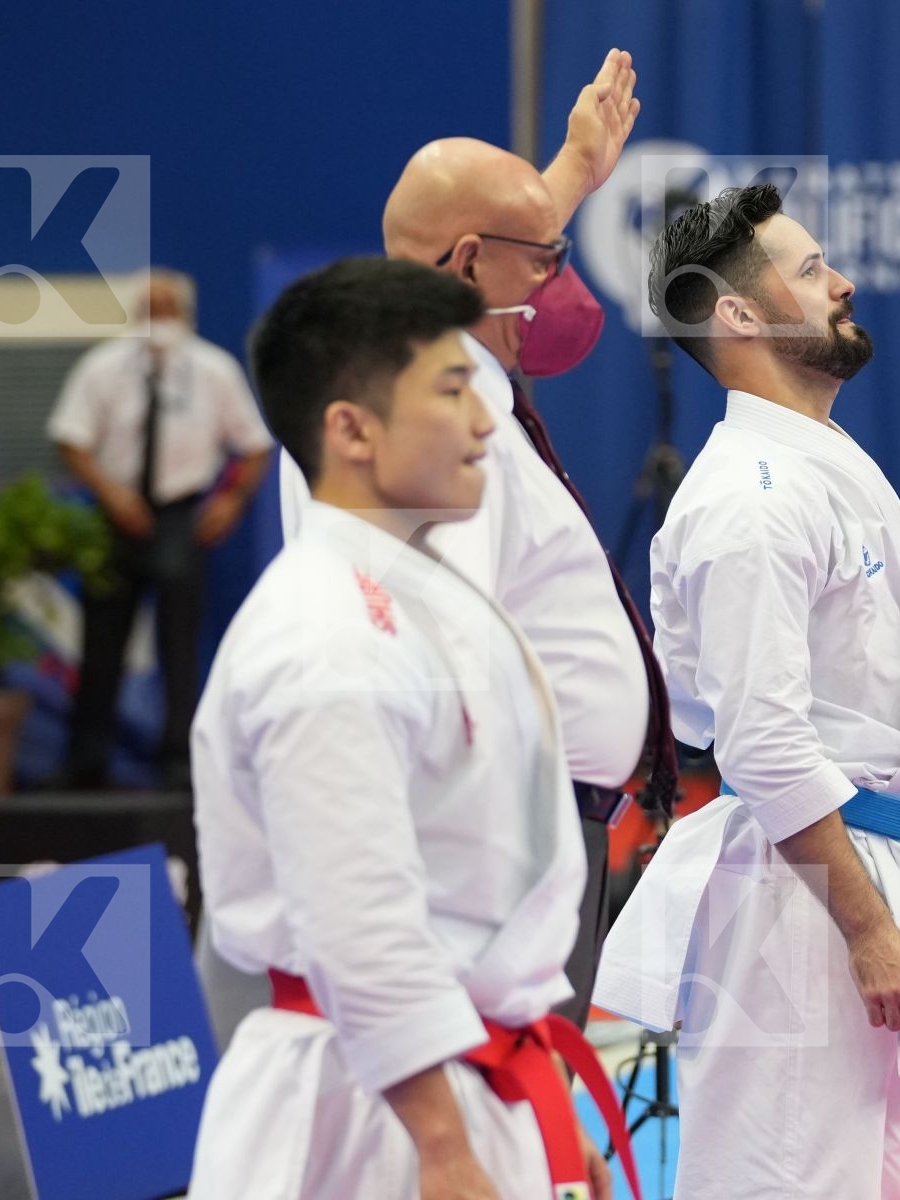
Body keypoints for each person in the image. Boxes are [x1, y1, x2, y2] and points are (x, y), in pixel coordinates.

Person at [593, 185, 900, 1199]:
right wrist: (867, 926)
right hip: (804, 903)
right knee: (785, 1180)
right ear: (739, 313)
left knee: (876, 1178)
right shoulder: (749, 499)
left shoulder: (818, 463)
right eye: (812, 267)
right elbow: (765, 746)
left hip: (862, 865)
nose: (844, 282)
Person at [189, 257, 634, 1200]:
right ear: (351, 429)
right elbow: (358, 920)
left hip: (469, 1076)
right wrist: (442, 1144)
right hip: (372, 1107)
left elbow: (482, 897)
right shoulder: (324, 636)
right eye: (452, 390)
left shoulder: (426, 598)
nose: (487, 421)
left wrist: (539, 1113)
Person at [274, 50, 677, 1029]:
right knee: (484, 1094)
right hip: (488, 839)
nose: (558, 279)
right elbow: (429, 653)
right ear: (464, 267)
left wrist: (573, 171)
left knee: (515, 1098)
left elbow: (486, 239)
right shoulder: (424, 409)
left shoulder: (431, 373)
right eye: (546, 257)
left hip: (524, 824)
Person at [46, 271, 274, 790]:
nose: (158, 320)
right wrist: (110, 493)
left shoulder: (214, 370)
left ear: (186, 314)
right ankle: (87, 760)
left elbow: (254, 444)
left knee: (179, 642)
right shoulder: (102, 366)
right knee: (101, 641)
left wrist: (232, 500)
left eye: (167, 309)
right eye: (149, 309)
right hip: (116, 512)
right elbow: (70, 437)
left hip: (181, 514)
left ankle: (179, 759)